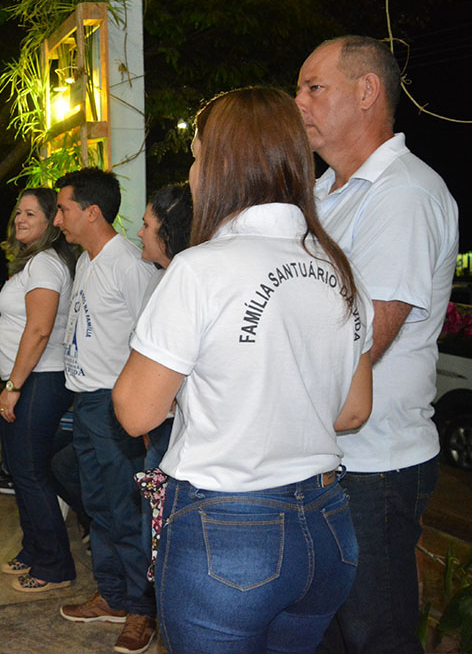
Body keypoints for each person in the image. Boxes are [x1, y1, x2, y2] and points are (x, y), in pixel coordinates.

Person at [114, 86, 374, 651]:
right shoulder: (340, 269)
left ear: (222, 166)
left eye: (197, 156)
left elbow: (135, 412)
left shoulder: (200, 269)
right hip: (328, 527)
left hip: (228, 531)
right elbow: (354, 410)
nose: (192, 172)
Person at [295, 36, 459, 653]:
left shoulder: (403, 194)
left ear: (367, 92)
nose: (299, 102)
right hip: (327, 454)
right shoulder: (323, 192)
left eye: (314, 88)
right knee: (327, 634)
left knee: (376, 635)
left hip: (373, 464)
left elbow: (366, 343)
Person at [52, 167, 159, 654]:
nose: (58, 220)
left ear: (92, 212)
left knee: (126, 510)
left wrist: (143, 413)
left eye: (63, 210)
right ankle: (113, 595)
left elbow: (152, 343)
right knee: (98, 507)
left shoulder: (130, 266)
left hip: (115, 405)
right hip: (85, 403)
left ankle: (141, 610)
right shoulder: (85, 262)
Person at [0, 187, 79, 592]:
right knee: (22, 470)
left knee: (30, 472)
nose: (20, 219)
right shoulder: (34, 263)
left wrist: (13, 385)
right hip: (29, 379)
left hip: (39, 379)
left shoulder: (45, 264)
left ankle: (54, 565)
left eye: (31, 213)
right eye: (18, 212)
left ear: (51, 222)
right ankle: (34, 550)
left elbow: (40, 329)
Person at [135, 183, 193, 473]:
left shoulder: (189, 285)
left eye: (146, 225)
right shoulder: (158, 279)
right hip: (156, 421)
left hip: (179, 426)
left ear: (168, 233)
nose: (139, 233)